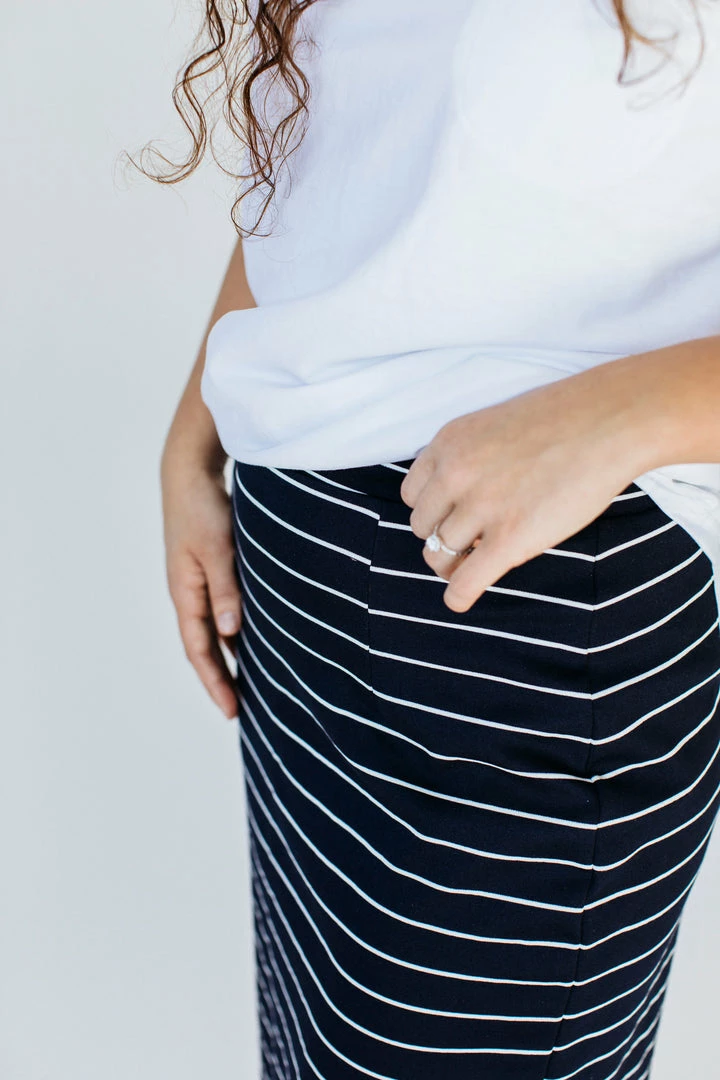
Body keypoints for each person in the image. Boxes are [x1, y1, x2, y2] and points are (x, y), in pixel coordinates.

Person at [148, 1, 720, 1076]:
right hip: (300, 593)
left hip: (524, 613)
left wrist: (626, 413)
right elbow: (361, 143)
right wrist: (201, 430)